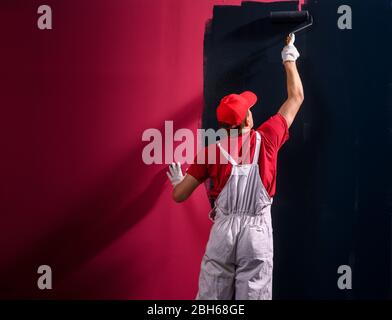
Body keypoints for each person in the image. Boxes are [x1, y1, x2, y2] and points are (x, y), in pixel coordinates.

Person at [166, 34, 304, 300]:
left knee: (211, 301)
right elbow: (296, 97)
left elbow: (179, 195)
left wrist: (178, 181)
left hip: (223, 236)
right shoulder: (268, 138)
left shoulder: (210, 152)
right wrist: (289, 54)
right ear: (248, 120)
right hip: (257, 234)